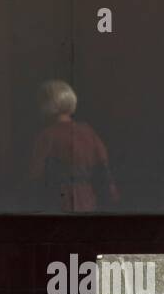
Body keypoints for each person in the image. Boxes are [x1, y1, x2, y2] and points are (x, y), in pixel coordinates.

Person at [30, 80, 118, 213]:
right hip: (88, 201)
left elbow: (35, 174)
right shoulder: (88, 131)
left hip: (58, 202)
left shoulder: (47, 136)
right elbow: (104, 168)